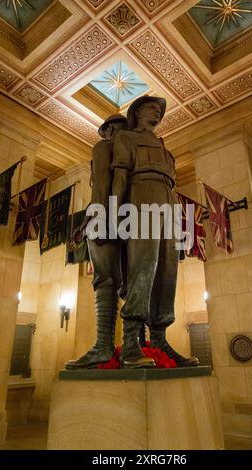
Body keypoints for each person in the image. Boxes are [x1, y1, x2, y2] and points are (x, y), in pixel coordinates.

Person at [112, 96, 199, 368]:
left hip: (169, 202)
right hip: (142, 197)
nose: (157, 113)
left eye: (160, 110)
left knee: (167, 272)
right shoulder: (126, 139)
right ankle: (130, 343)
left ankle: (159, 340)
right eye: (152, 108)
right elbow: (120, 177)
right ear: (137, 112)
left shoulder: (165, 149)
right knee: (144, 266)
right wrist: (114, 213)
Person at [66, 114, 128, 369]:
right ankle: (135, 344)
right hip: (131, 221)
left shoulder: (104, 147)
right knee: (132, 283)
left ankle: (103, 345)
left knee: (105, 280)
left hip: (106, 219)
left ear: (108, 130)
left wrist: (98, 219)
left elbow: (101, 186)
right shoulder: (132, 151)